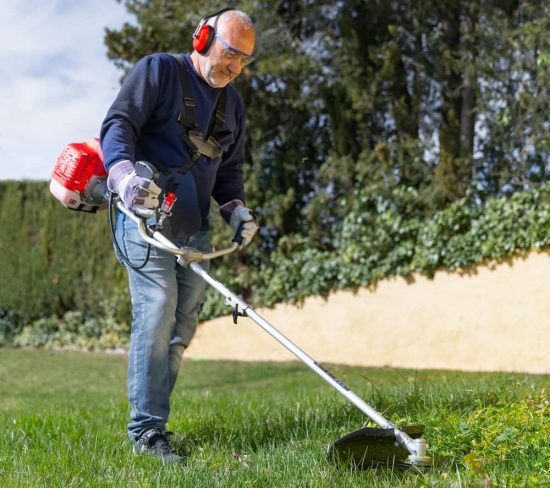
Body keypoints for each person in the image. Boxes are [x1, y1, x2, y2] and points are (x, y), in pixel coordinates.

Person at [100, 8, 259, 462]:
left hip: (194, 227)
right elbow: (119, 125)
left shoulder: (234, 106)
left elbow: (229, 171)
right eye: (229, 53)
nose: (234, 66)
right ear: (203, 38)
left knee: (181, 326)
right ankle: (147, 432)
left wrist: (236, 211)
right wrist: (124, 176)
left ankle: (154, 424)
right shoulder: (158, 72)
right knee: (157, 305)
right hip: (142, 216)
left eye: (243, 61)